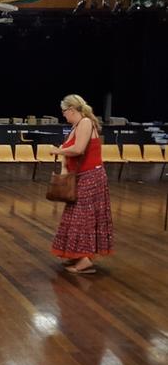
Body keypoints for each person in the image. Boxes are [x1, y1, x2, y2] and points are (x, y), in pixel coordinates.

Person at [49, 94, 113, 274]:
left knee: (83, 218)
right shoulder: (76, 125)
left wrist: (58, 150)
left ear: (71, 109)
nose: (63, 115)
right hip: (80, 177)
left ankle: (85, 260)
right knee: (75, 217)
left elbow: (78, 149)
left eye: (64, 112)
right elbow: (70, 151)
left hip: (91, 177)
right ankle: (78, 255)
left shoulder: (85, 122)